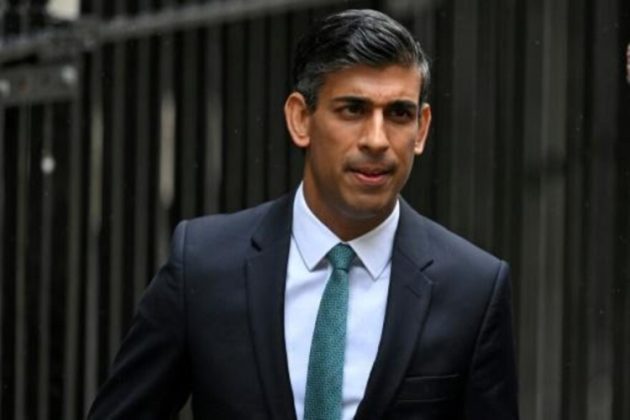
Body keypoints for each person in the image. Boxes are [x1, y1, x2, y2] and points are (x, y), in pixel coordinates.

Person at [88, 9, 518, 420]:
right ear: (300, 119)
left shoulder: (473, 289)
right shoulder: (204, 265)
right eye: (353, 109)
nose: (376, 139)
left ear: (421, 129)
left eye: (398, 114)